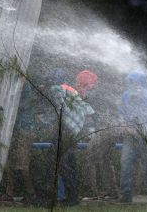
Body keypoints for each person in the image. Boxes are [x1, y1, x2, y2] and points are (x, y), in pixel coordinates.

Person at [50, 70, 98, 205]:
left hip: (65, 133)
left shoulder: (71, 92)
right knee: (69, 165)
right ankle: (71, 197)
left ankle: (70, 198)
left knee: (65, 166)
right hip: (70, 134)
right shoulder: (77, 93)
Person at [118, 71, 147, 203]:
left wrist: (144, 130)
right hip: (130, 137)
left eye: (133, 81)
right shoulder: (126, 95)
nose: (130, 84)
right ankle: (126, 196)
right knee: (125, 164)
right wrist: (124, 125)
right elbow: (121, 113)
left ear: (141, 82)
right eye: (130, 81)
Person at [0, 80, 37, 204]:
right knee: (10, 162)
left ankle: (31, 194)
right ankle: (9, 192)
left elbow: (25, 104)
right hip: (14, 129)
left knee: (22, 164)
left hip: (25, 129)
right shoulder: (13, 83)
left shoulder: (24, 84)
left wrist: (7, 103)